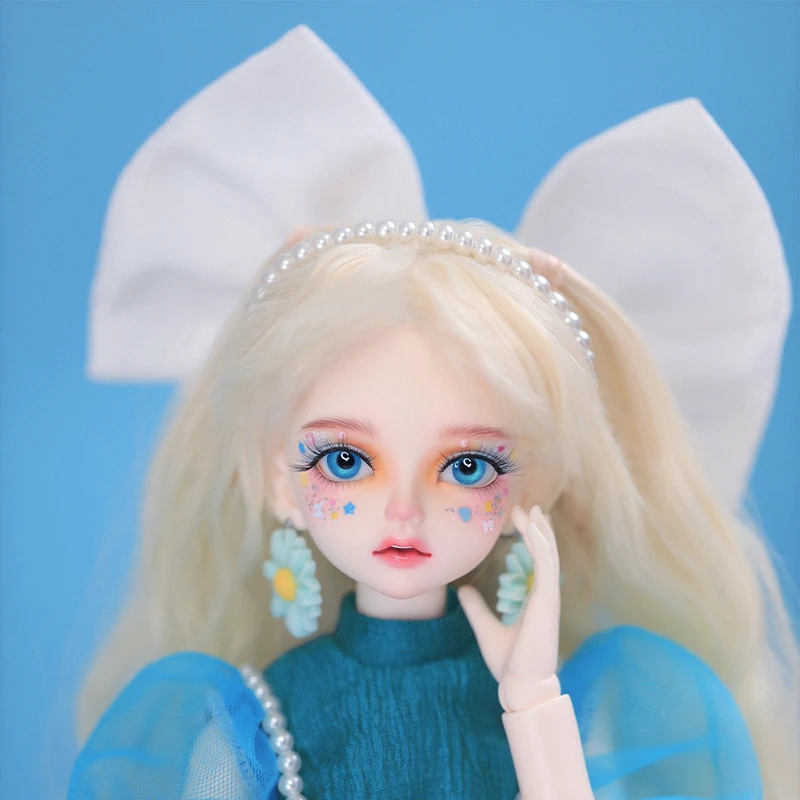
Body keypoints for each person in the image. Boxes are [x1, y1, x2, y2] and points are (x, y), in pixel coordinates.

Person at [69, 25, 799, 800]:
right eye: (345, 460)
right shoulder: (251, 720)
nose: (404, 510)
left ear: (530, 489)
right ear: (278, 479)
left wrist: (532, 700)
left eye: (467, 466)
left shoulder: (580, 705)